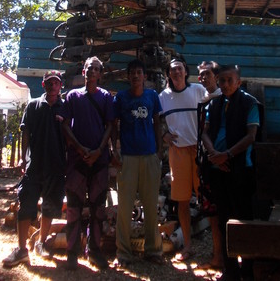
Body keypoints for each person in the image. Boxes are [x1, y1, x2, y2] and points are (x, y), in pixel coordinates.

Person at [202, 64, 261, 281]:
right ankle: (230, 271)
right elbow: (206, 133)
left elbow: (251, 136)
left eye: (230, 80)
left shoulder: (249, 103)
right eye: (222, 80)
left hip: (240, 170)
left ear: (238, 81)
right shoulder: (214, 104)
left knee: (243, 220)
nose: (225, 84)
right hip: (218, 169)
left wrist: (227, 155)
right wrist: (214, 154)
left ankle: (247, 271)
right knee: (224, 219)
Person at [2, 70, 66, 268]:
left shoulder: (66, 107)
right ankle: (21, 250)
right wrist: (23, 159)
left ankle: (41, 243)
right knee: (26, 206)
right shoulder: (32, 105)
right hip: (34, 165)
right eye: (49, 82)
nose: (52, 86)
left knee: (49, 206)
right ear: (43, 84)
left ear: (60, 86)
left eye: (56, 83)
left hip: (56, 166)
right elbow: (25, 133)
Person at [61, 56, 114, 271]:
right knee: (73, 207)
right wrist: (80, 149)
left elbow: (110, 125)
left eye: (96, 69)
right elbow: (65, 125)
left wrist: (100, 150)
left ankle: (94, 250)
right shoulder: (72, 96)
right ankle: (72, 252)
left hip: (99, 160)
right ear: (83, 72)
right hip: (77, 160)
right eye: (88, 68)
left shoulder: (106, 98)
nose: (92, 72)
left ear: (101, 74)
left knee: (98, 209)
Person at [112, 59, 164, 267]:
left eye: (139, 72)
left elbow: (158, 123)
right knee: (124, 207)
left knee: (151, 206)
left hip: (150, 156)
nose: (135, 76)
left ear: (144, 76)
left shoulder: (152, 96)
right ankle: (123, 253)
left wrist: (159, 151)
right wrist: (114, 150)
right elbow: (114, 125)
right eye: (132, 72)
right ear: (128, 76)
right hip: (128, 158)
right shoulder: (121, 98)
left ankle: (153, 250)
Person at [159, 57, 207, 261]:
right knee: (182, 201)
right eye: (172, 70)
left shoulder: (198, 90)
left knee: (208, 199)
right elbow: (158, 121)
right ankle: (187, 246)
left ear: (186, 72)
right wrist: (164, 135)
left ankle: (221, 248)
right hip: (177, 152)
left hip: (199, 150)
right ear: (168, 74)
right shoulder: (163, 97)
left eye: (179, 69)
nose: (176, 72)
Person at [196, 61, 223, 271]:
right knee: (213, 212)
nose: (204, 78)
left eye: (208, 74)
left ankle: (227, 257)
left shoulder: (225, 99)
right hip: (208, 162)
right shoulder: (205, 101)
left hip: (225, 164)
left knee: (226, 212)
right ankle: (218, 256)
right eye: (201, 75)